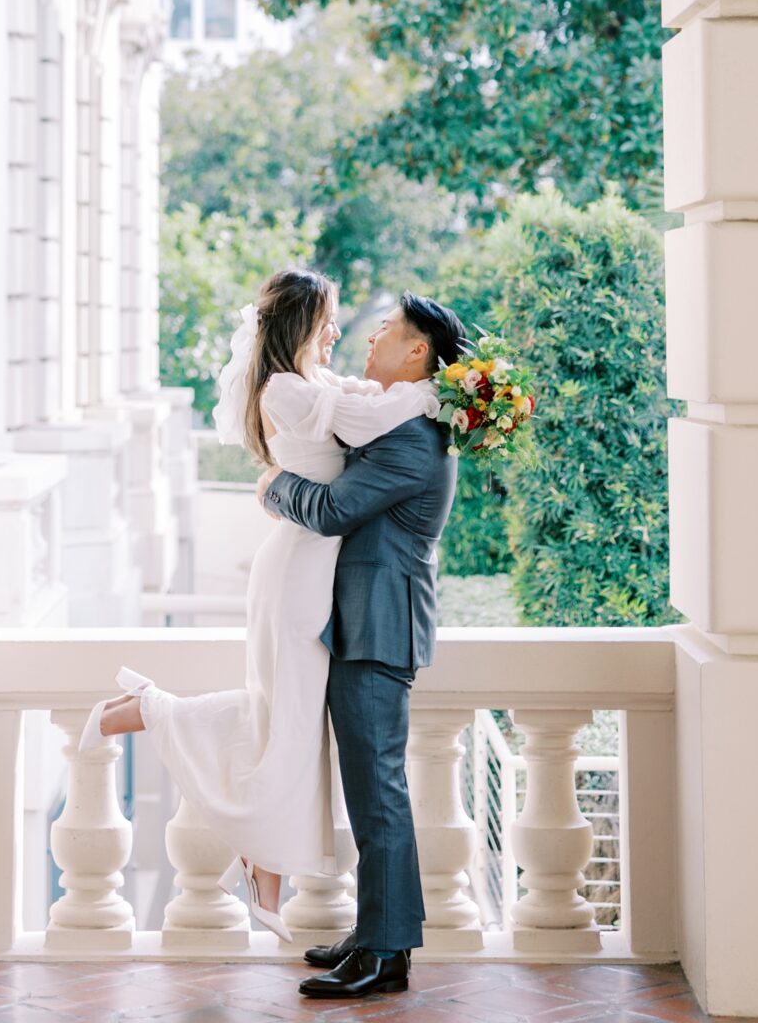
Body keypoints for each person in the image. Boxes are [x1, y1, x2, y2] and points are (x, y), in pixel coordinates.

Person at [77, 269, 443, 947]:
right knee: (288, 718)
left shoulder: (319, 385)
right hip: (303, 565)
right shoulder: (290, 389)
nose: (341, 331)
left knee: (288, 720)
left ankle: (264, 862)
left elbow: (364, 401)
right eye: (329, 319)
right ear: (302, 324)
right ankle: (155, 715)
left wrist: (445, 394)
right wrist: (442, 395)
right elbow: (368, 425)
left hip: (314, 565)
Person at [256, 291, 465, 1001]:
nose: (370, 339)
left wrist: (275, 486)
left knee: (379, 792)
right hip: (363, 623)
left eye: (387, 330)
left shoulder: (411, 438)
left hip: (380, 628)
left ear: (417, 353)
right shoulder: (396, 420)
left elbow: (336, 509)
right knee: (368, 789)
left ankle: (387, 952)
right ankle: (373, 933)